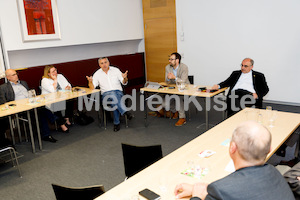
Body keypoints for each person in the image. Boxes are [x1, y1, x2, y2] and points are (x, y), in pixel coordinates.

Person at [174, 121, 295, 200]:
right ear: (269, 150)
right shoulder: (276, 174)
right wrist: (205, 192)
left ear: (232, 148)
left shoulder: (220, 190)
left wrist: (196, 196)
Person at [0, 69, 58, 143]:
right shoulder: (3, 87)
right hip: (19, 108)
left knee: (41, 109)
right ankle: (54, 121)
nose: (16, 76)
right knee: (40, 113)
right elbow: (3, 102)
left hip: (31, 104)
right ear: (8, 77)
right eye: (13, 75)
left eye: (16, 74)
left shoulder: (23, 83)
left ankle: (48, 131)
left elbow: (30, 93)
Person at [86, 57, 132, 132]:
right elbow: (92, 87)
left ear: (108, 62)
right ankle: (124, 112)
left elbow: (124, 82)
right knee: (113, 96)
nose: (104, 64)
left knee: (114, 100)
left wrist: (125, 78)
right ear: (99, 65)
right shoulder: (97, 74)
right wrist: (90, 81)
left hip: (118, 92)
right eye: (102, 63)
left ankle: (117, 122)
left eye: (105, 62)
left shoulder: (115, 70)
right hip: (105, 95)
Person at [157, 52, 190, 126]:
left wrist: (174, 78)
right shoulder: (167, 67)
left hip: (184, 88)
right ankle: (175, 111)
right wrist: (168, 79)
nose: (169, 61)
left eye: (171, 59)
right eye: (169, 59)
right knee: (165, 104)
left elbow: (183, 81)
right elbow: (167, 81)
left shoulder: (184, 67)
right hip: (172, 88)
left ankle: (182, 117)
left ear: (177, 60)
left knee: (178, 97)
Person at [41, 65, 73, 133]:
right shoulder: (45, 80)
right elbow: (53, 90)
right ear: (48, 73)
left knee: (70, 100)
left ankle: (67, 118)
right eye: (53, 72)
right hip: (50, 100)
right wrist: (55, 80)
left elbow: (69, 85)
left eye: (55, 70)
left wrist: (68, 87)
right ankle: (62, 124)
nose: (55, 73)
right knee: (57, 104)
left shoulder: (60, 76)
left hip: (62, 96)